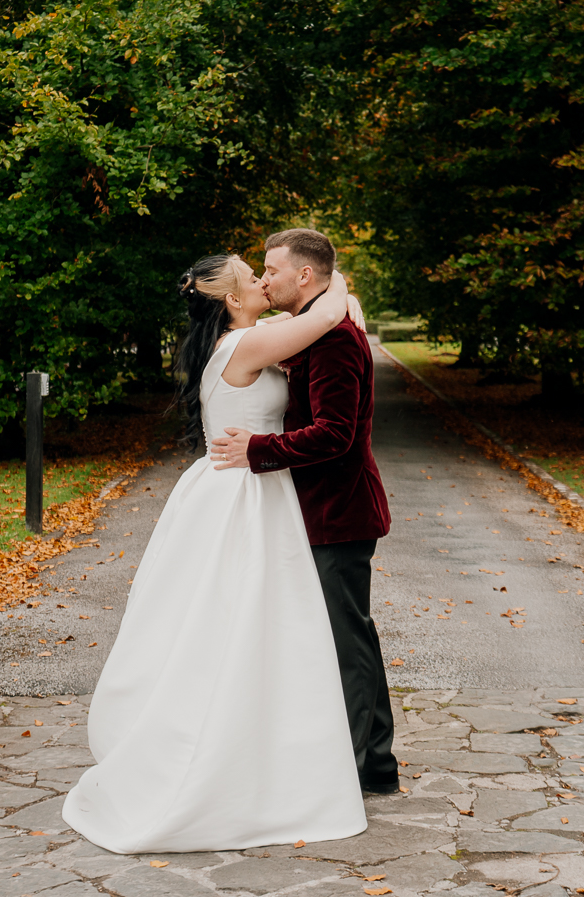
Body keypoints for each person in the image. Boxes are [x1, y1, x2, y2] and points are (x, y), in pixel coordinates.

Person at [61, 250, 368, 853]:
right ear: (230, 300)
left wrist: (330, 296)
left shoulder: (249, 338)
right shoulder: (246, 347)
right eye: (250, 277)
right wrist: (334, 282)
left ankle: (262, 742)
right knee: (237, 623)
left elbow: (326, 318)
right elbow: (334, 310)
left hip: (239, 486)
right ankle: (223, 749)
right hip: (242, 495)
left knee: (245, 624)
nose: (260, 279)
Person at [209, 228, 399, 796]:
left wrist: (257, 449)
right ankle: (375, 764)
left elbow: (335, 435)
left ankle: (363, 767)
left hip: (339, 511)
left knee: (347, 641)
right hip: (317, 510)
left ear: (305, 276)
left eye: (272, 269)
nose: (265, 279)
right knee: (349, 637)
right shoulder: (310, 331)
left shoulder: (336, 338)